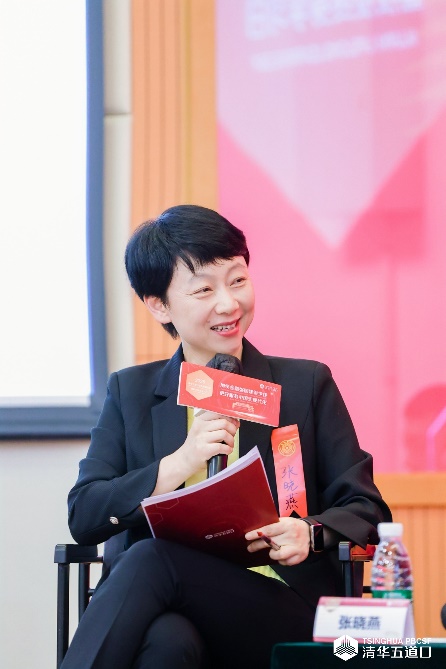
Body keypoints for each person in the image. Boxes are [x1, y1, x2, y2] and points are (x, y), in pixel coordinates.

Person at [61, 204, 391, 669]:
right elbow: (85, 513)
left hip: (279, 605)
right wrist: (179, 463)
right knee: (167, 643)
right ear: (158, 304)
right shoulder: (130, 393)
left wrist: (310, 532)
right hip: (168, 607)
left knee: (153, 560)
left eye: (237, 280)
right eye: (204, 289)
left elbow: (367, 509)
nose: (228, 304)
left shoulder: (305, 385)